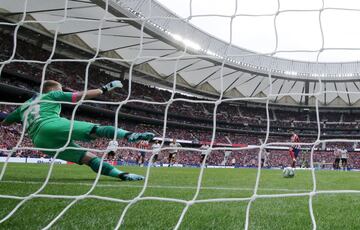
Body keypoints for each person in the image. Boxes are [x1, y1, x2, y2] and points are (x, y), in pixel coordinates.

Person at [1, 80, 154, 181]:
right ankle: (130, 135)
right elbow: (78, 96)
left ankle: (122, 175)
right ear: (53, 89)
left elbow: (6, 121)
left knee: (88, 158)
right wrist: (104, 89)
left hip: (39, 141)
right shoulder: (52, 94)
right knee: (96, 129)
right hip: (51, 125)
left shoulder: (23, 106)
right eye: (60, 89)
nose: (61, 91)